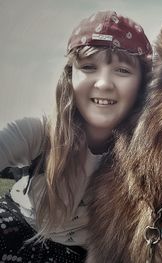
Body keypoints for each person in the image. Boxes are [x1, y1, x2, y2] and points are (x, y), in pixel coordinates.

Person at [0, 10, 152, 262]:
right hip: (15, 224)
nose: (103, 83)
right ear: (70, 76)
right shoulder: (40, 131)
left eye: (122, 70)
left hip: (79, 254)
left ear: (143, 85)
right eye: (89, 67)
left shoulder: (146, 155)